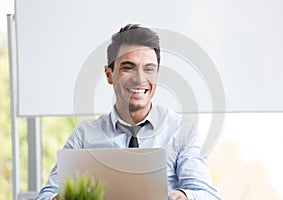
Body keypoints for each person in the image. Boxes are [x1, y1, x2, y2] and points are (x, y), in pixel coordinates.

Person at [36, 24, 221, 200]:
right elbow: (45, 195)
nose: (140, 79)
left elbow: (209, 196)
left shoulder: (182, 132)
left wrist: (181, 196)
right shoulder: (84, 137)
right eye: (128, 67)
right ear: (109, 74)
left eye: (149, 69)